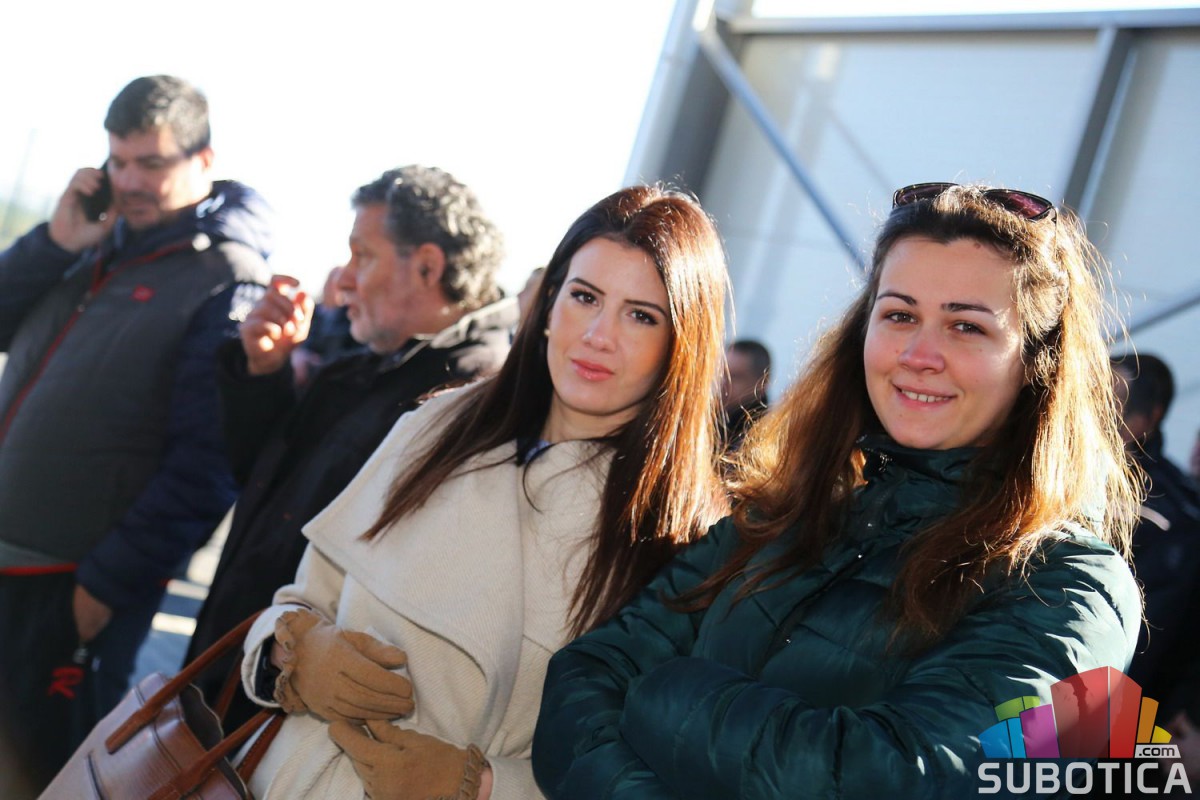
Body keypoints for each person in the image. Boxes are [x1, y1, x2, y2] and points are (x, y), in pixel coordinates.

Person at [533, 182, 1144, 798]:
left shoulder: (1070, 586)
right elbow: (585, 677)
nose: (919, 354)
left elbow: (901, 779)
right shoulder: (787, 514)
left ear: (1036, 361)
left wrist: (666, 694)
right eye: (900, 315)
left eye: (966, 326)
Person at [231, 184, 729, 799]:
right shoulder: (437, 425)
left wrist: (483, 786)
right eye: (585, 297)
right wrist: (296, 653)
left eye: (641, 315)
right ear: (549, 305)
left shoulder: (683, 535)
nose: (599, 335)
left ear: (682, 343)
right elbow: (300, 599)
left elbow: (643, 767)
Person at [0, 75, 272, 792]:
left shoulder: (226, 276)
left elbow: (208, 463)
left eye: (150, 163)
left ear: (203, 160)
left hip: (70, 593)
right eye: (117, 161)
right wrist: (54, 242)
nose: (128, 182)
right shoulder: (87, 241)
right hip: (10, 567)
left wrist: (102, 589)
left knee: (36, 779)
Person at [186, 165, 518, 732]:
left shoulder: (473, 404)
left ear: (428, 266)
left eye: (362, 256)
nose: (341, 281)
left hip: (301, 728)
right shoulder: (365, 368)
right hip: (240, 686)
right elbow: (262, 485)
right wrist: (261, 373)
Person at [719, 338, 771, 451]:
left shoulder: (763, 439)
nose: (723, 383)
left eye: (735, 377)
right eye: (722, 374)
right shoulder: (713, 420)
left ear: (762, 383)